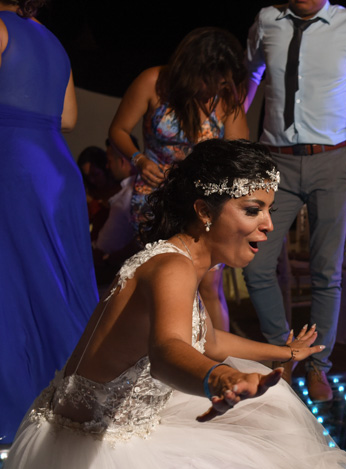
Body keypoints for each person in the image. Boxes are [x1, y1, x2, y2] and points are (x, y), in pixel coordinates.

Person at [0, 139, 346, 469]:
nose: (268, 224)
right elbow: (168, 349)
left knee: (271, 442)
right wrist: (218, 377)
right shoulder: (171, 267)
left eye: (268, 210)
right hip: (91, 453)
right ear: (206, 210)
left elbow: (205, 340)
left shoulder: (187, 259)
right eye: (253, 210)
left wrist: (282, 354)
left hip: (100, 428)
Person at [244, 0, 346, 401]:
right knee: (256, 264)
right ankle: (283, 354)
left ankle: (319, 366)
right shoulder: (267, 20)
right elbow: (249, 75)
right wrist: (233, 131)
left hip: (332, 160)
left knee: (327, 272)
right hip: (275, 161)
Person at [108, 26, 249, 334]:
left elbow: (240, 155)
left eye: (223, 81)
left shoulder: (226, 100)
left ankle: (217, 361)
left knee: (209, 283)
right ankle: (162, 356)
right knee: (161, 280)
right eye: (211, 79)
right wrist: (139, 159)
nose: (216, 87)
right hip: (154, 197)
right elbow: (117, 130)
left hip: (204, 203)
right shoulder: (153, 82)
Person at [0, 0, 98, 442]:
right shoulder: (52, 40)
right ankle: (74, 402)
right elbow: (69, 118)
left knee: (13, 289)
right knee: (57, 287)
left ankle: (17, 408)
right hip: (56, 169)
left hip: (11, 163)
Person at [94, 136, 141, 289]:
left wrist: (107, 258)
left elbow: (138, 241)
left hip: (114, 270)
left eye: (109, 160)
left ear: (121, 161)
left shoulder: (129, 195)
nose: (108, 166)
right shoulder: (124, 192)